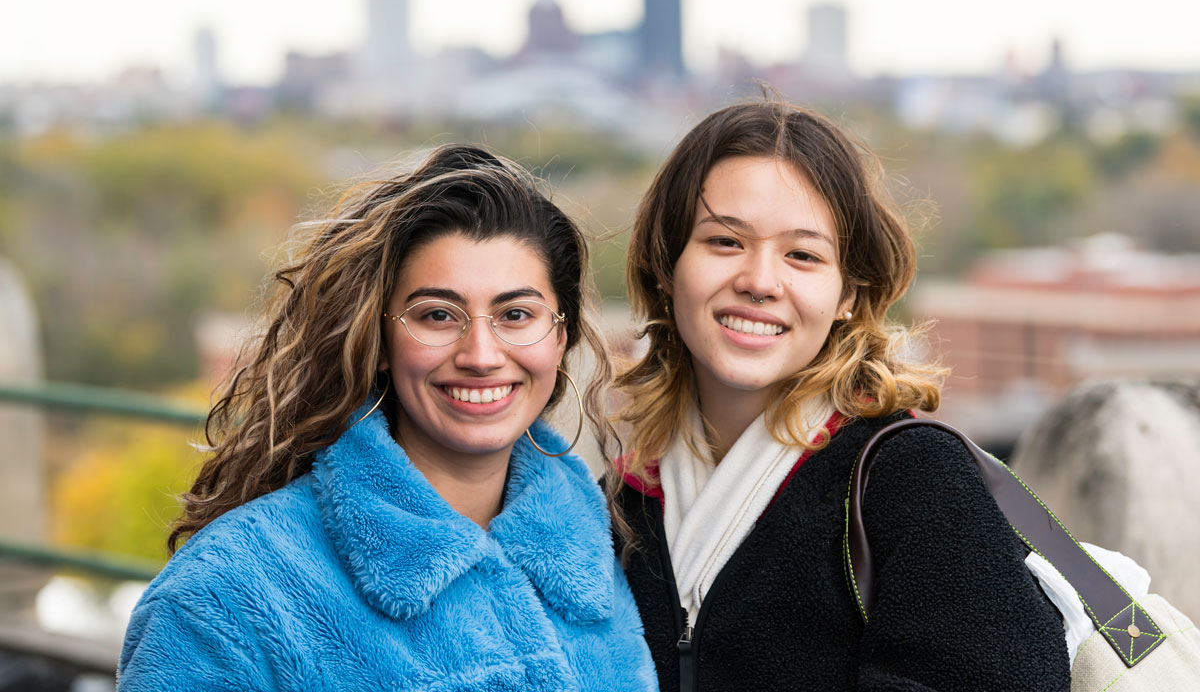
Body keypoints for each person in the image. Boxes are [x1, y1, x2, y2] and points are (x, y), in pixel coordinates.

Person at [118, 145, 658, 692]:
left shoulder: (608, 549)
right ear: (378, 340)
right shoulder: (227, 597)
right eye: (437, 315)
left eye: (516, 314)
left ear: (560, 338)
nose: (481, 354)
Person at [611, 100, 1071, 691]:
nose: (759, 281)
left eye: (802, 255)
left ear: (848, 293)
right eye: (725, 241)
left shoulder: (910, 481)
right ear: (665, 265)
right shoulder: (618, 509)